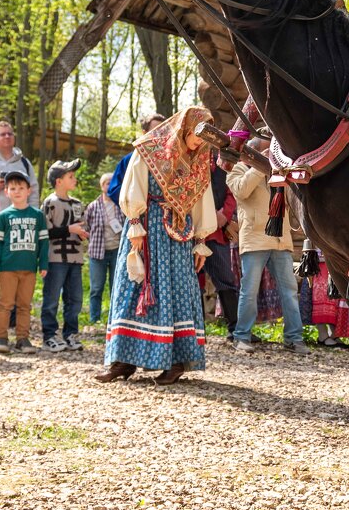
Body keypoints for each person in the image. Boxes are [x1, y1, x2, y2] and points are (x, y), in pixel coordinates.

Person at [98, 107, 217, 385]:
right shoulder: (148, 149)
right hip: (146, 229)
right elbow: (132, 187)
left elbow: (202, 199)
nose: (199, 142)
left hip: (179, 236)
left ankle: (176, 361)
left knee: (177, 291)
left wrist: (201, 240)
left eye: (204, 137)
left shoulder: (198, 159)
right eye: (196, 135)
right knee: (133, 287)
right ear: (184, 129)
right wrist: (135, 224)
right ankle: (123, 360)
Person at [226, 141, 306, 355]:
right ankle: (241, 337)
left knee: (290, 291)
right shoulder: (237, 168)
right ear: (250, 153)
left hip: (280, 239)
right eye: (263, 151)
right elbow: (241, 191)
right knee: (249, 291)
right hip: (255, 239)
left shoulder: (280, 169)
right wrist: (259, 165)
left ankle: (294, 339)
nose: (269, 155)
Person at [0, 170, 49, 353]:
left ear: (28, 191)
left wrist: (43, 264)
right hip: (7, 268)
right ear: (6, 192)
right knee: (5, 304)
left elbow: (43, 242)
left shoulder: (37, 215)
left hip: (29, 269)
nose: (17, 192)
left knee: (24, 305)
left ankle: (23, 339)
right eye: (13, 188)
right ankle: (0, 338)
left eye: (21, 188)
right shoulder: (4, 216)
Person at [41, 159, 88, 353]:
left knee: (75, 299)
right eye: (71, 176)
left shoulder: (77, 204)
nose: (75, 179)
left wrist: (83, 233)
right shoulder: (50, 203)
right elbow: (44, 232)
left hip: (75, 258)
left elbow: (82, 226)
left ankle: (70, 334)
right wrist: (69, 229)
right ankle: (49, 336)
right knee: (51, 298)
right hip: (55, 259)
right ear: (58, 181)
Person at [200, 159, 240, 338]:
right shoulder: (189, 161)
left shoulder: (223, 165)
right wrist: (209, 213)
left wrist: (224, 214)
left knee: (225, 279)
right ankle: (196, 329)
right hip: (193, 233)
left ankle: (236, 329)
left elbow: (231, 193)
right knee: (194, 281)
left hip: (216, 233)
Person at [84, 173, 124, 326]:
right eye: (106, 183)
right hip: (97, 253)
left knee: (116, 286)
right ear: (101, 186)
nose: (109, 186)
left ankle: (115, 319)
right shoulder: (93, 206)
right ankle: (95, 319)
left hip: (117, 252)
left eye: (111, 183)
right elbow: (86, 228)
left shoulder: (120, 204)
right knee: (96, 288)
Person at [106, 113, 166, 206]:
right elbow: (113, 190)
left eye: (163, 132)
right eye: (155, 131)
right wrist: (135, 198)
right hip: (139, 212)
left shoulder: (172, 159)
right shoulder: (130, 160)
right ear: (144, 133)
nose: (159, 135)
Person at [0, 120, 39, 210]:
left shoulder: (24, 162)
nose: (7, 136)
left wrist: (33, 212)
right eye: (3, 134)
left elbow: (33, 191)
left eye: (10, 134)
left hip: (20, 216)